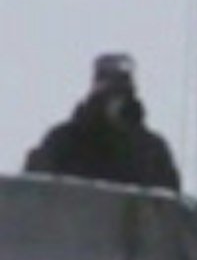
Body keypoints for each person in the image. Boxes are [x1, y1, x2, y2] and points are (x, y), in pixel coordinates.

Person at [24, 53, 181, 193]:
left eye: (120, 95)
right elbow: (35, 196)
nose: (114, 104)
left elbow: (167, 209)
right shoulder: (62, 142)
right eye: (108, 94)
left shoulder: (151, 151)